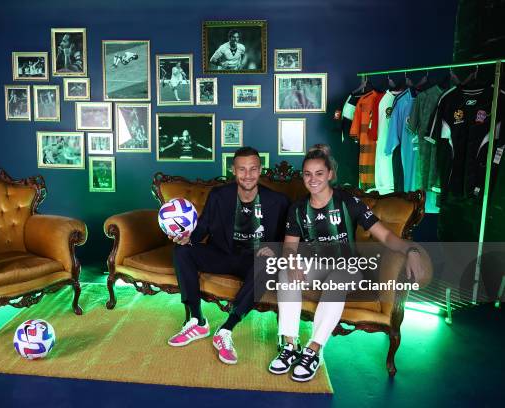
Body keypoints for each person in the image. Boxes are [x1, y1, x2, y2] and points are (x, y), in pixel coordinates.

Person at [267, 144, 427, 382]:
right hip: (315, 266)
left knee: (338, 278)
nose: (313, 179)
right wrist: (291, 263)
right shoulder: (298, 209)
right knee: (285, 272)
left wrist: (412, 249)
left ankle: (314, 350)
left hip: (346, 268)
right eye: (308, 174)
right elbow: (290, 246)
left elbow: (387, 237)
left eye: (319, 173)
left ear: (330, 174)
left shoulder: (348, 201)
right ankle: (290, 345)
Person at [168, 147, 289, 365]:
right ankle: (197, 319)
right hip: (222, 254)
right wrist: (188, 238)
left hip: (253, 259)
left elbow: (288, 237)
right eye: (242, 169)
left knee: (268, 263)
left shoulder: (277, 201)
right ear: (233, 170)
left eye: (253, 169)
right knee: (182, 250)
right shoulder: (218, 195)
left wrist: (275, 248)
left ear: (260, 170)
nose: (248, 175)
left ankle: (226, 329)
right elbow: (202, 227)